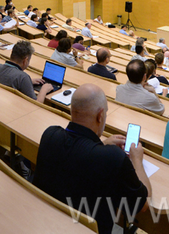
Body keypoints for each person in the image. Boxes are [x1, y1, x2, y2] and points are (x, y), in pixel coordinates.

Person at [33, 84, 150, 234]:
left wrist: (101, 145)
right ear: (100, 116)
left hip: (46, 224)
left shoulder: (50, 134)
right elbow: (142, 206)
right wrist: (137, 160)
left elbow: (77, 153)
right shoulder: (113, 158)